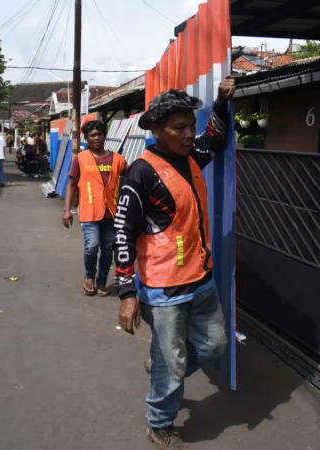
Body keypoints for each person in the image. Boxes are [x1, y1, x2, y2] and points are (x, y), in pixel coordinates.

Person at [114, 75, 236, 449]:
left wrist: (220, 102)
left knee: (214, 345)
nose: (188, 134)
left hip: (200, 280)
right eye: (179, 127)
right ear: (157, 130)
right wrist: (126, 293)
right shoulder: (141, 173)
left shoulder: (191, 157)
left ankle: (166, 370)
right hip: (163, 290)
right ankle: (159, 422)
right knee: (172, 363)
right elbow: (122, 233)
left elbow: (214, 139)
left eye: (191, 127)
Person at [62, 120, 127, 298]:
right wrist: (67, 210)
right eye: (92, 135)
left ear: (104, 136)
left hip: (112, 214)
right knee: (92, 247)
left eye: (99, 134)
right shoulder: (81, 159)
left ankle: (102, 281)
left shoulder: (118, 159)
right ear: (87, 138)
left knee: (107, 250)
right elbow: (71, 184)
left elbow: (131, 180)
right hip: (89, 212)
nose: (96, 138)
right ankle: (89, 276)